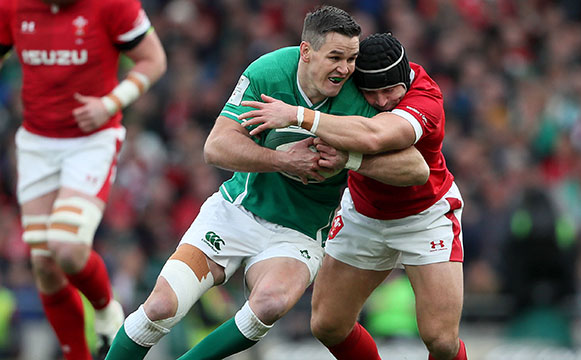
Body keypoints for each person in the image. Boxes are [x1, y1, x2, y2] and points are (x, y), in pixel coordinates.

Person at [105, 6, 428, 360]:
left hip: (301, 231)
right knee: (160, 306)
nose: (345, 69)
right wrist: (281, 160)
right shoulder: (269, 72)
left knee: (271, 303)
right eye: (335, 57)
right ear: (306, 52)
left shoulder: (358, 96)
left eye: (351, 58)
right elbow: (216, 147)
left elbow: (415, 167)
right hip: (237, 211)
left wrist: (349, 158)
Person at [240, 33, 468, 360]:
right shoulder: (350, 85)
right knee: (327, 325)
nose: (380, 101)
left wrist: (299, 116)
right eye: (370, 93)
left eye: (389, 91)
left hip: (425, 216)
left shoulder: (426, 100)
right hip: (363, 215)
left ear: (405, 79)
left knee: (441, 341)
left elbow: (377, 135)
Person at [0, 0, 167, 359]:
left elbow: (154, 60)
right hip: (36, 142)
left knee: (67, 247)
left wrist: (110, 103)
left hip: (91, 140)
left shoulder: (113, 5)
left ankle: (107, 310)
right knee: (44, 263)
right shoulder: (12, 7)